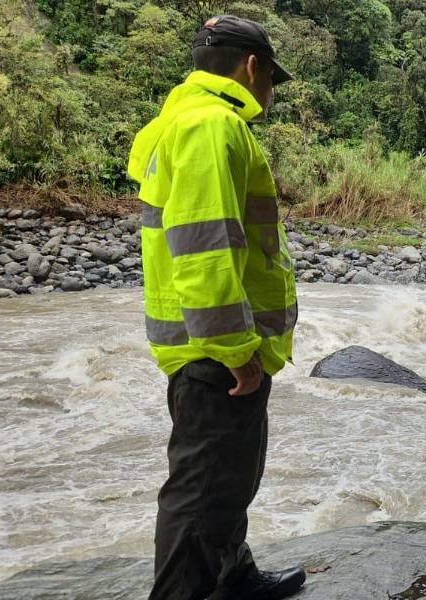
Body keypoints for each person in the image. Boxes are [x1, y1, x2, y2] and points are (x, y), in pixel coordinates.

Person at [127, 15, 304, 600]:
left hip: (203, 343)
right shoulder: (211, 126)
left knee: (227, 478)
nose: (270, 90)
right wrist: (235, 349)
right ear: (252, 68)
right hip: (215, 350)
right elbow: (205, 248)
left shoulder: (180, 121)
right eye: (271, 78)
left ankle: (233, 575)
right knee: (204, 489)